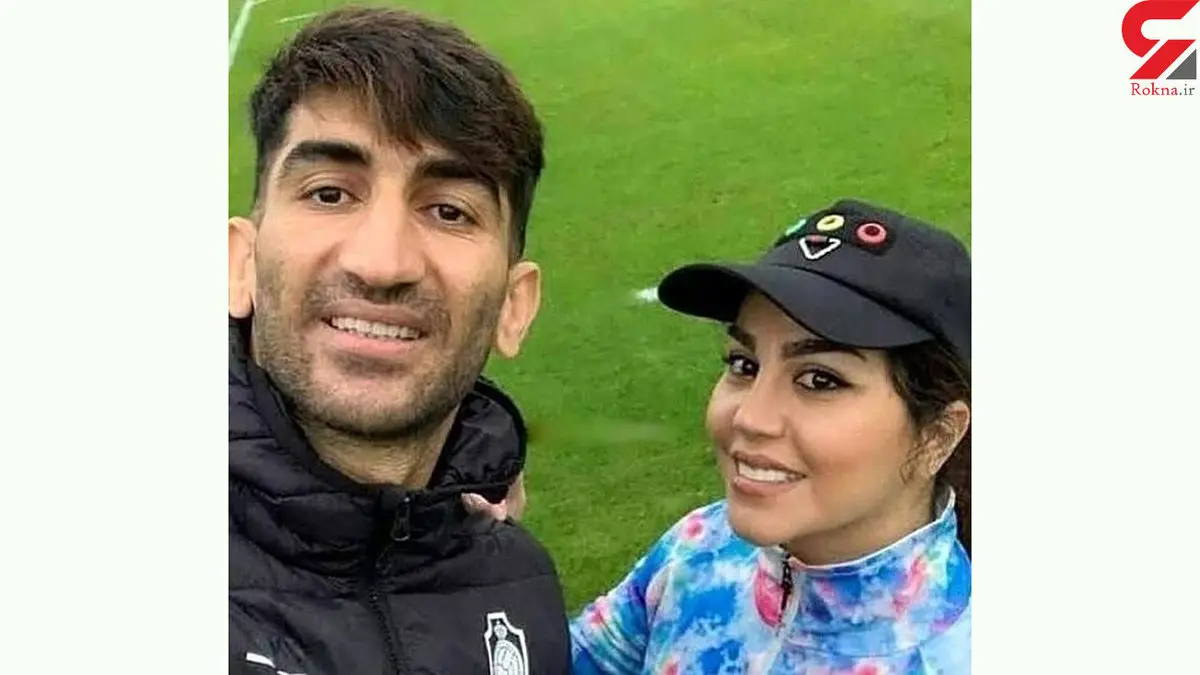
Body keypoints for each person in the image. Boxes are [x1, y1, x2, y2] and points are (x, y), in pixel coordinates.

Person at [227, 7, 572, 674]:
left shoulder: (523, 593)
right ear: (241, 265)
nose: (382, 263)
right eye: (330, 194)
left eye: (448, 210)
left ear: (514, 306)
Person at [565, 198, 972, 673]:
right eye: (744, 365)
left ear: (938, 436)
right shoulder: (700, 549)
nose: (750, 418)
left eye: (819, 379)